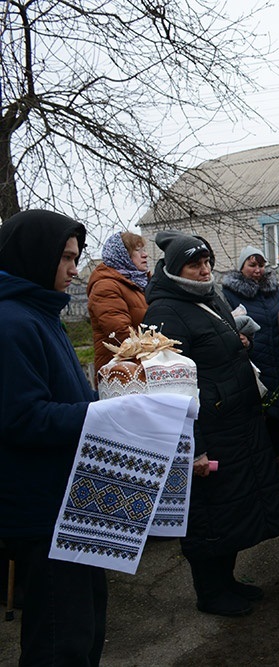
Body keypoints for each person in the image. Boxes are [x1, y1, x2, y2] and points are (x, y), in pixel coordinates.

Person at [143, 231, 279, 617]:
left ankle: (226, 580)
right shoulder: (164, 312)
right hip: (207, 429)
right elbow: (168, 386)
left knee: (233, 508)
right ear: (176, 268)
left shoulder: (209, 297)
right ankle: (209, 592)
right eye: (195, 264)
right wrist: (193, 446)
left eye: (208, 262)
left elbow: (212, 345)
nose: (204, 270)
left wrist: (237, 341)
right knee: (209, 513)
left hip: (236, 421)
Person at [0, 210, 103, 665]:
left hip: (68, 501)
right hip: (44, 510)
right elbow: (23, 418)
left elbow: (62, 393)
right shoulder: (11, 322)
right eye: (65, 257)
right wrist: (106, 415)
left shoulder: (39, 313)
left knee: (83, 627)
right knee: (60, 640)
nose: (73, 269)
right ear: (34, 255)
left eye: (75, 257)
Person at [221, 245, 279, 486]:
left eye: (261, 265)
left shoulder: (275, 292)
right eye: (252, 265)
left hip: (278, 358)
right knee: (256, 413)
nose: (257, 270)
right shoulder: (230, 292)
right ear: (242, 266)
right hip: (252, 360)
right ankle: (259, 465)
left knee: (276, 413)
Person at [87, 231, 150, 371]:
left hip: (143, 367)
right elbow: (122, 334)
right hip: (120, 373)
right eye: (137, 251)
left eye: (144, 250)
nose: (145, 255)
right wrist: (157, 349)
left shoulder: (143, 283)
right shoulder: (105, 287)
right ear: (122, 255)